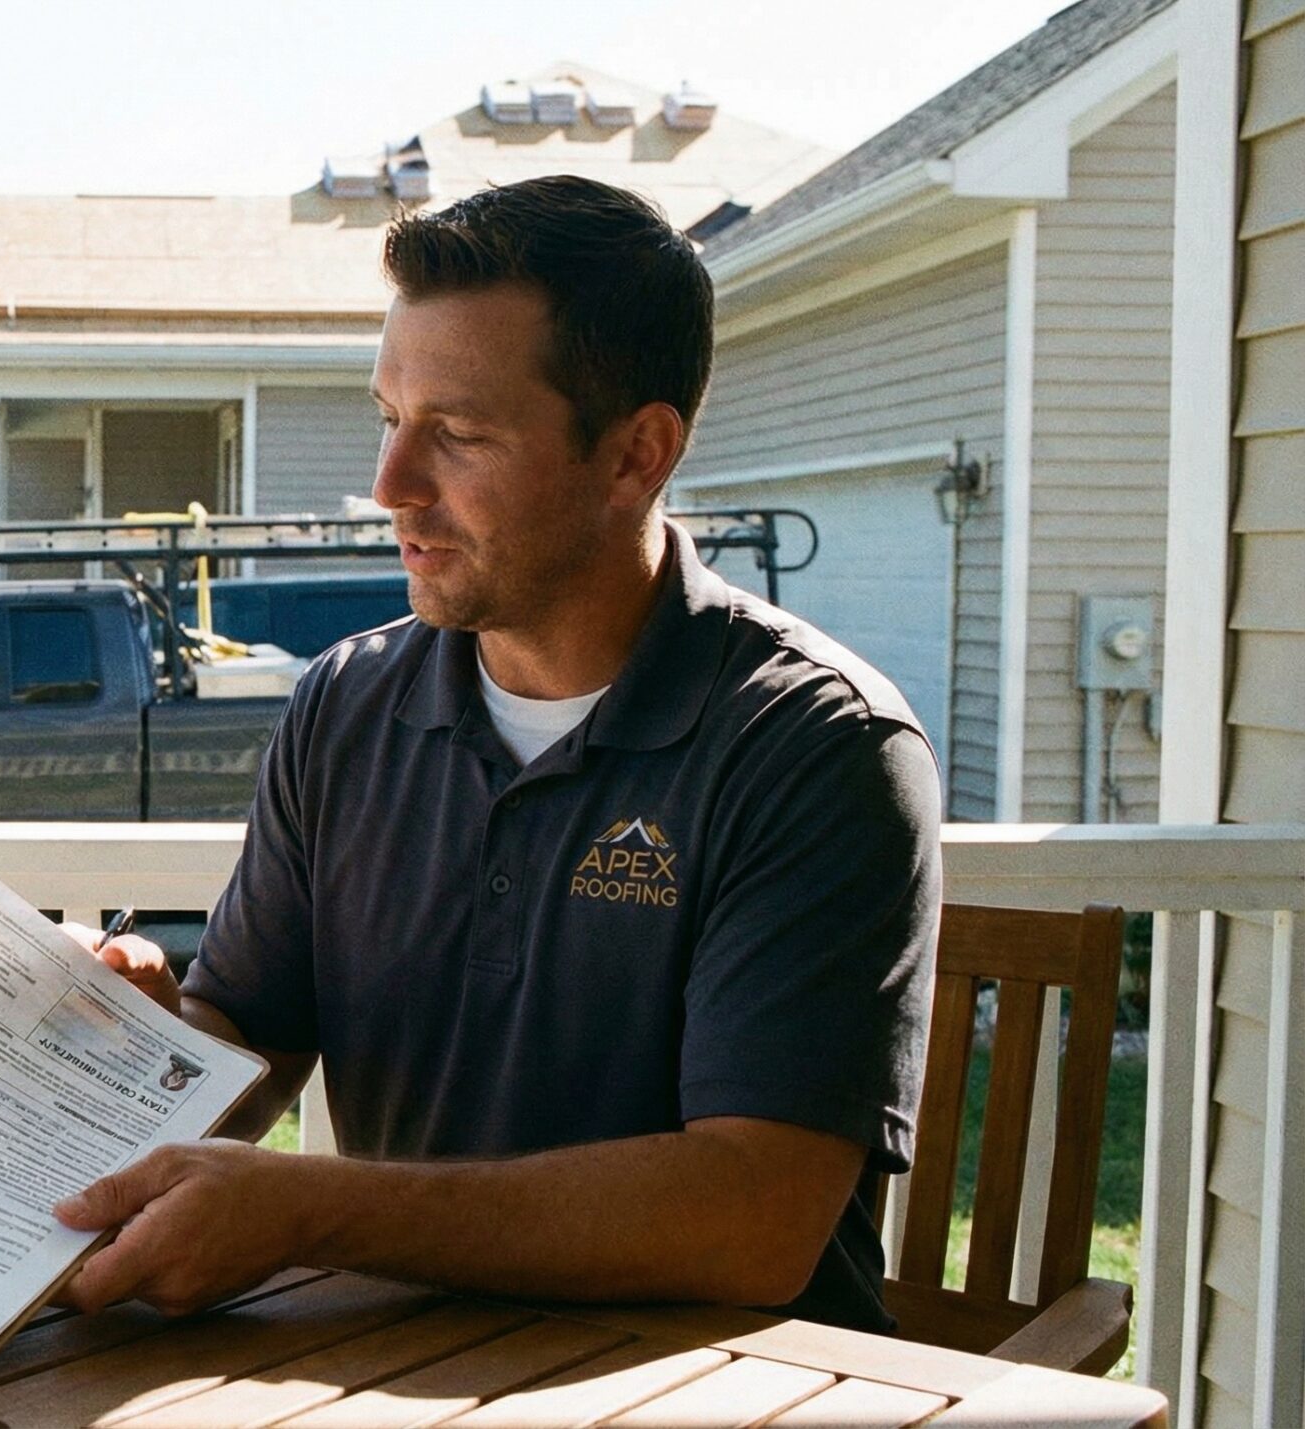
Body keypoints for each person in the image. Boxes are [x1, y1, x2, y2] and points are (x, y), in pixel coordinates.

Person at [63, 176, 940, 1334]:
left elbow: (753, 1214)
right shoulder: (347, 704)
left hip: (715, 1390)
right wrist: (128, 1035)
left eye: (458, 434)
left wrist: (309, 1211)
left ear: (636, 454)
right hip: (389, 1369)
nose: (390, 487)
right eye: (388, 418)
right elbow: (250, 1040)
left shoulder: (814, 746)